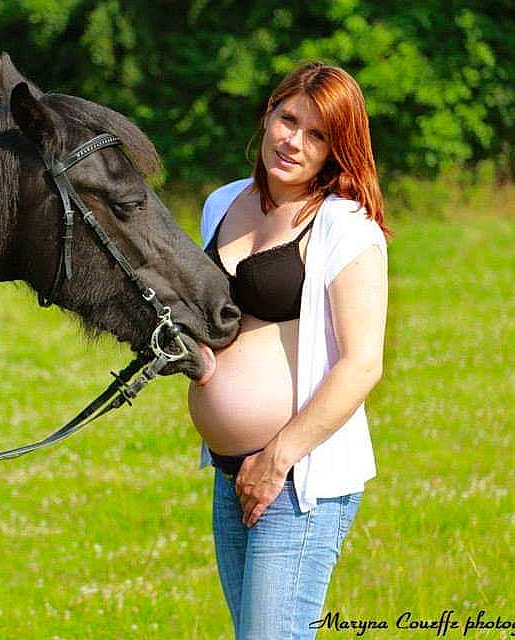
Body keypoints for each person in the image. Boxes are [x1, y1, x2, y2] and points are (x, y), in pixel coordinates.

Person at [187, 61, 390, 639]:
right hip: (233, 477)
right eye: (288, 119)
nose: (294, 141)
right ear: (269, 113)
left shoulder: (346, 226)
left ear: (337, 149)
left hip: (297, 481)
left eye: (318, 134)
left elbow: (362, 363)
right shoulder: (222, 202)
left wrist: (275, 461)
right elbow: (215, 322)